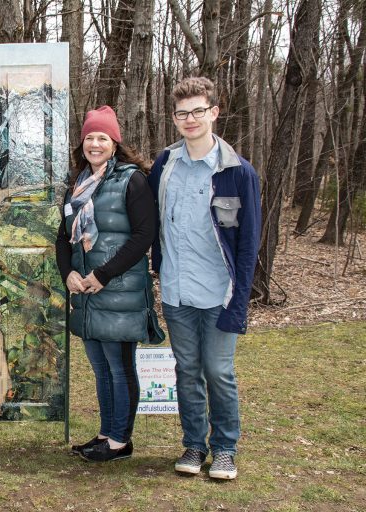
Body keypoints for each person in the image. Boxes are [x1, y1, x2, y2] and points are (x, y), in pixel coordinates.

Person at [148, 77, 261, 480]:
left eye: (198, 111)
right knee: (187, 371)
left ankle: (225, 448)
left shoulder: (238, 173)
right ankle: (194, 445)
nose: (190, 119)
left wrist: (239, 303)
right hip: (177, 293)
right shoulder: (165, 165)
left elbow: (248, 246)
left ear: (214, 112)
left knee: (219, 372)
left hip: (220, 295)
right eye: (182, 113)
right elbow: (145, 219)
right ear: (174, 118)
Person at [55, 106, 163, 463]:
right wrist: (67, 272)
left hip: (118, 291)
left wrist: (104, 274)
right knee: (101, 367)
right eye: (90, 137)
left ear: (115, 143)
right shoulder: (78, 183)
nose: (95, 143)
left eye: (103, 137)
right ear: (82, 143)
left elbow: (145, 235)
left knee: (119, 366)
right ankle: (106, 433)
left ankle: (120, 441)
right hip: (85, 291)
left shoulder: (132, 180)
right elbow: (63, 237)